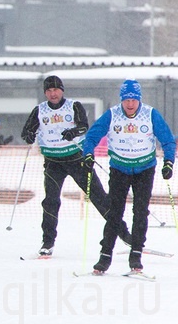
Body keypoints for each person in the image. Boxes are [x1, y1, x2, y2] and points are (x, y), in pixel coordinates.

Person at [20, 75, 132, 258]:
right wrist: (29, 135)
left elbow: (83, 126)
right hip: (53, 162)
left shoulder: (73, 106)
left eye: (56, 90)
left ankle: (125, 234)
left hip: (76, 159)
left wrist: (73, 131)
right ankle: (47, 242)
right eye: (48, 90)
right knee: (51, 201)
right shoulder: (39, 110)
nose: (52, 93)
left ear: (62, 90)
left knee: (99, 197)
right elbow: (27, 132)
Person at [81, 79, 175, 274]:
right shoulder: (112, 114)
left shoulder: (150, 114)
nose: (130, 104)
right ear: (121, 100)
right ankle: (104, 257)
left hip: (144, 170)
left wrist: (168, 163)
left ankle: (136, 257)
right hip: (119, 169)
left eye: (133, 99)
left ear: (139, 99)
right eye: (126, 100)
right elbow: (91, 136)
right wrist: (88, 154)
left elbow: (168, 140)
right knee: (114, 213)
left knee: (140, 213)